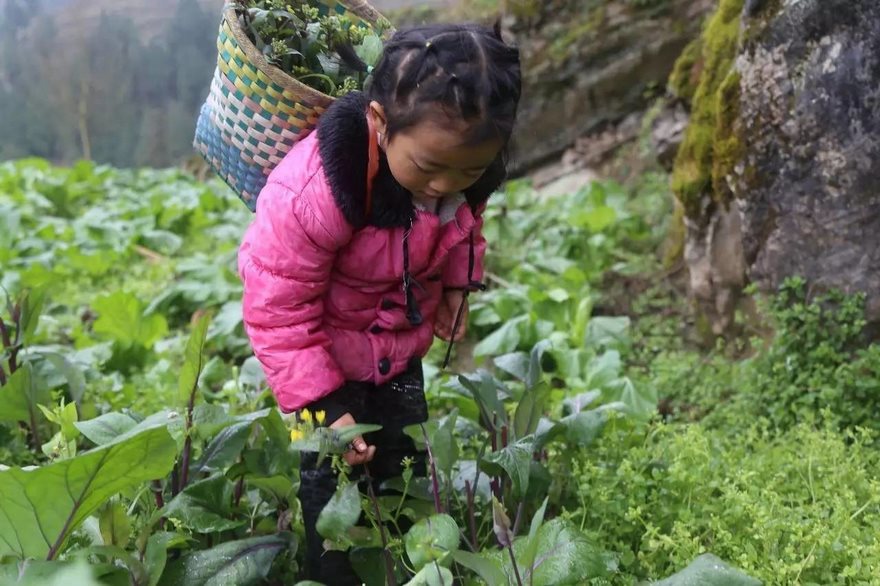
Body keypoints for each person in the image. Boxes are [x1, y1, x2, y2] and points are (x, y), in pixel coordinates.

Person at [238, 22, 522, 584]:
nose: (443, 187)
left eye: (468, 172)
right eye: (428, 168)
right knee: (327, 484)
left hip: (397, 351)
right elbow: (275, 306)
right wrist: (322, 405)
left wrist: (459, 286)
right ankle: (331, 573)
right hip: (318, 365)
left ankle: (401, 564)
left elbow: (465, 227)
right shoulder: (317, 188)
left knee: (402, 464)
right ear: (379, 122)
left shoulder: (460, 176)